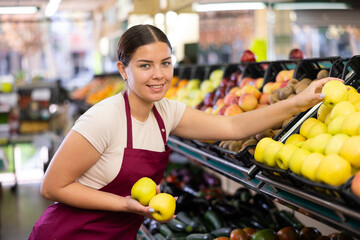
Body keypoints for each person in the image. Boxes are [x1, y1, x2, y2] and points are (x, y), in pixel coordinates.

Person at [29, 24, 339, 240]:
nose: (159, 75)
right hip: (68, 234)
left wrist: (299, 102)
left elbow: (232, 126)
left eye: (165, 63)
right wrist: (124, 203)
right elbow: (53, 187)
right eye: (145, 65)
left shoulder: (166, 112)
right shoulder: (103, 118)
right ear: (123, 70)